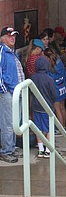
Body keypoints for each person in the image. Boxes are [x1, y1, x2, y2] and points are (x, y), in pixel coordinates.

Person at [0, 27, 25, 163]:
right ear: (2, 38)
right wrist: (4, 90)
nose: (12, 38)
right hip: (8, 93)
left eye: (14, 36)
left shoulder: (12, 52)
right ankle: (6, 151)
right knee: (8, 123)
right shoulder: (2, 52)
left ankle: (11, 147)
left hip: (17, 91)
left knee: (16, 121)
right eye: (9, 36)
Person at [30, 56, 56, 158]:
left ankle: (41, 149)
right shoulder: (49, 79)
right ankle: (48, 149)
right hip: (47, 107)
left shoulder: (32, 78)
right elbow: (54, 94)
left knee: (38, 128)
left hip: (36, 107)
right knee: (49, 128)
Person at [44, 48, 66, 132]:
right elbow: (65, 75)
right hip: (63, 87)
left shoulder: (49, 67)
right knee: (62, 107)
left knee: (57, 109)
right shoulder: (60, 63)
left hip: (55, 90)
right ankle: (64, 126)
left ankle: (61, 130)